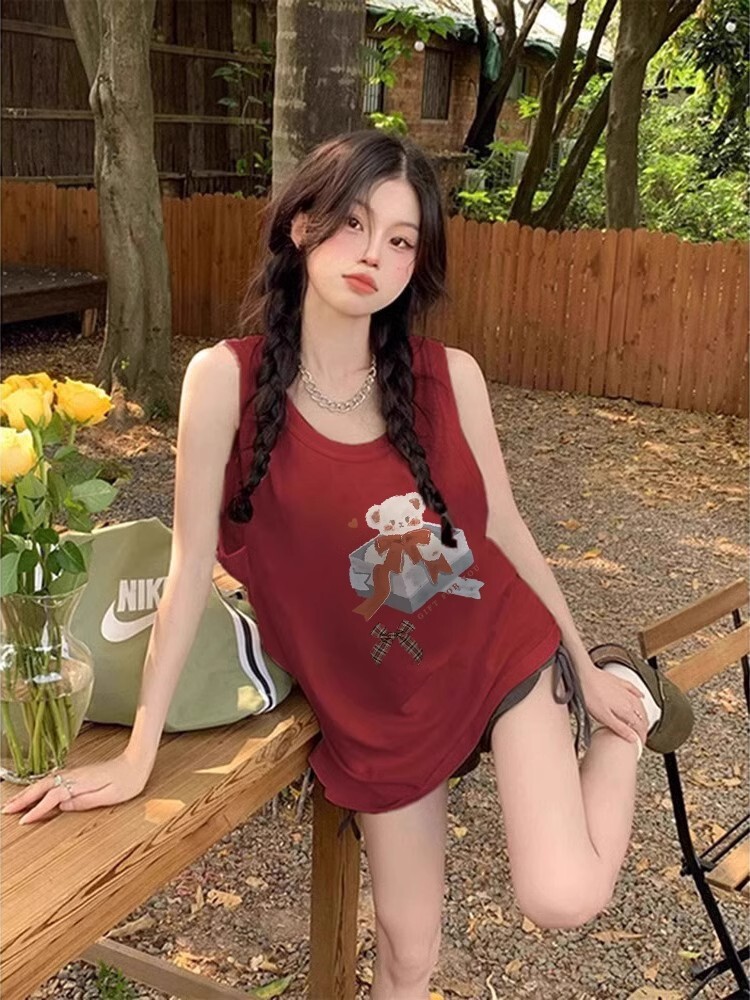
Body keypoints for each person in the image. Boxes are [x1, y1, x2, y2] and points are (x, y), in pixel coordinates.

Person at [2, 129, 694, 1000]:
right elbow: (186, 571)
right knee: (406, 951)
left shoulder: (452, 378)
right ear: (301, 225)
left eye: (401, 240)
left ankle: (626, 692)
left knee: (561, 895)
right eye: (355, 224)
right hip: (375, 705)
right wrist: (139, 754)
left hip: (495, 651)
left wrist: (585, 668)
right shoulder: (224, 381)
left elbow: (506, 528)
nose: (374, 255)